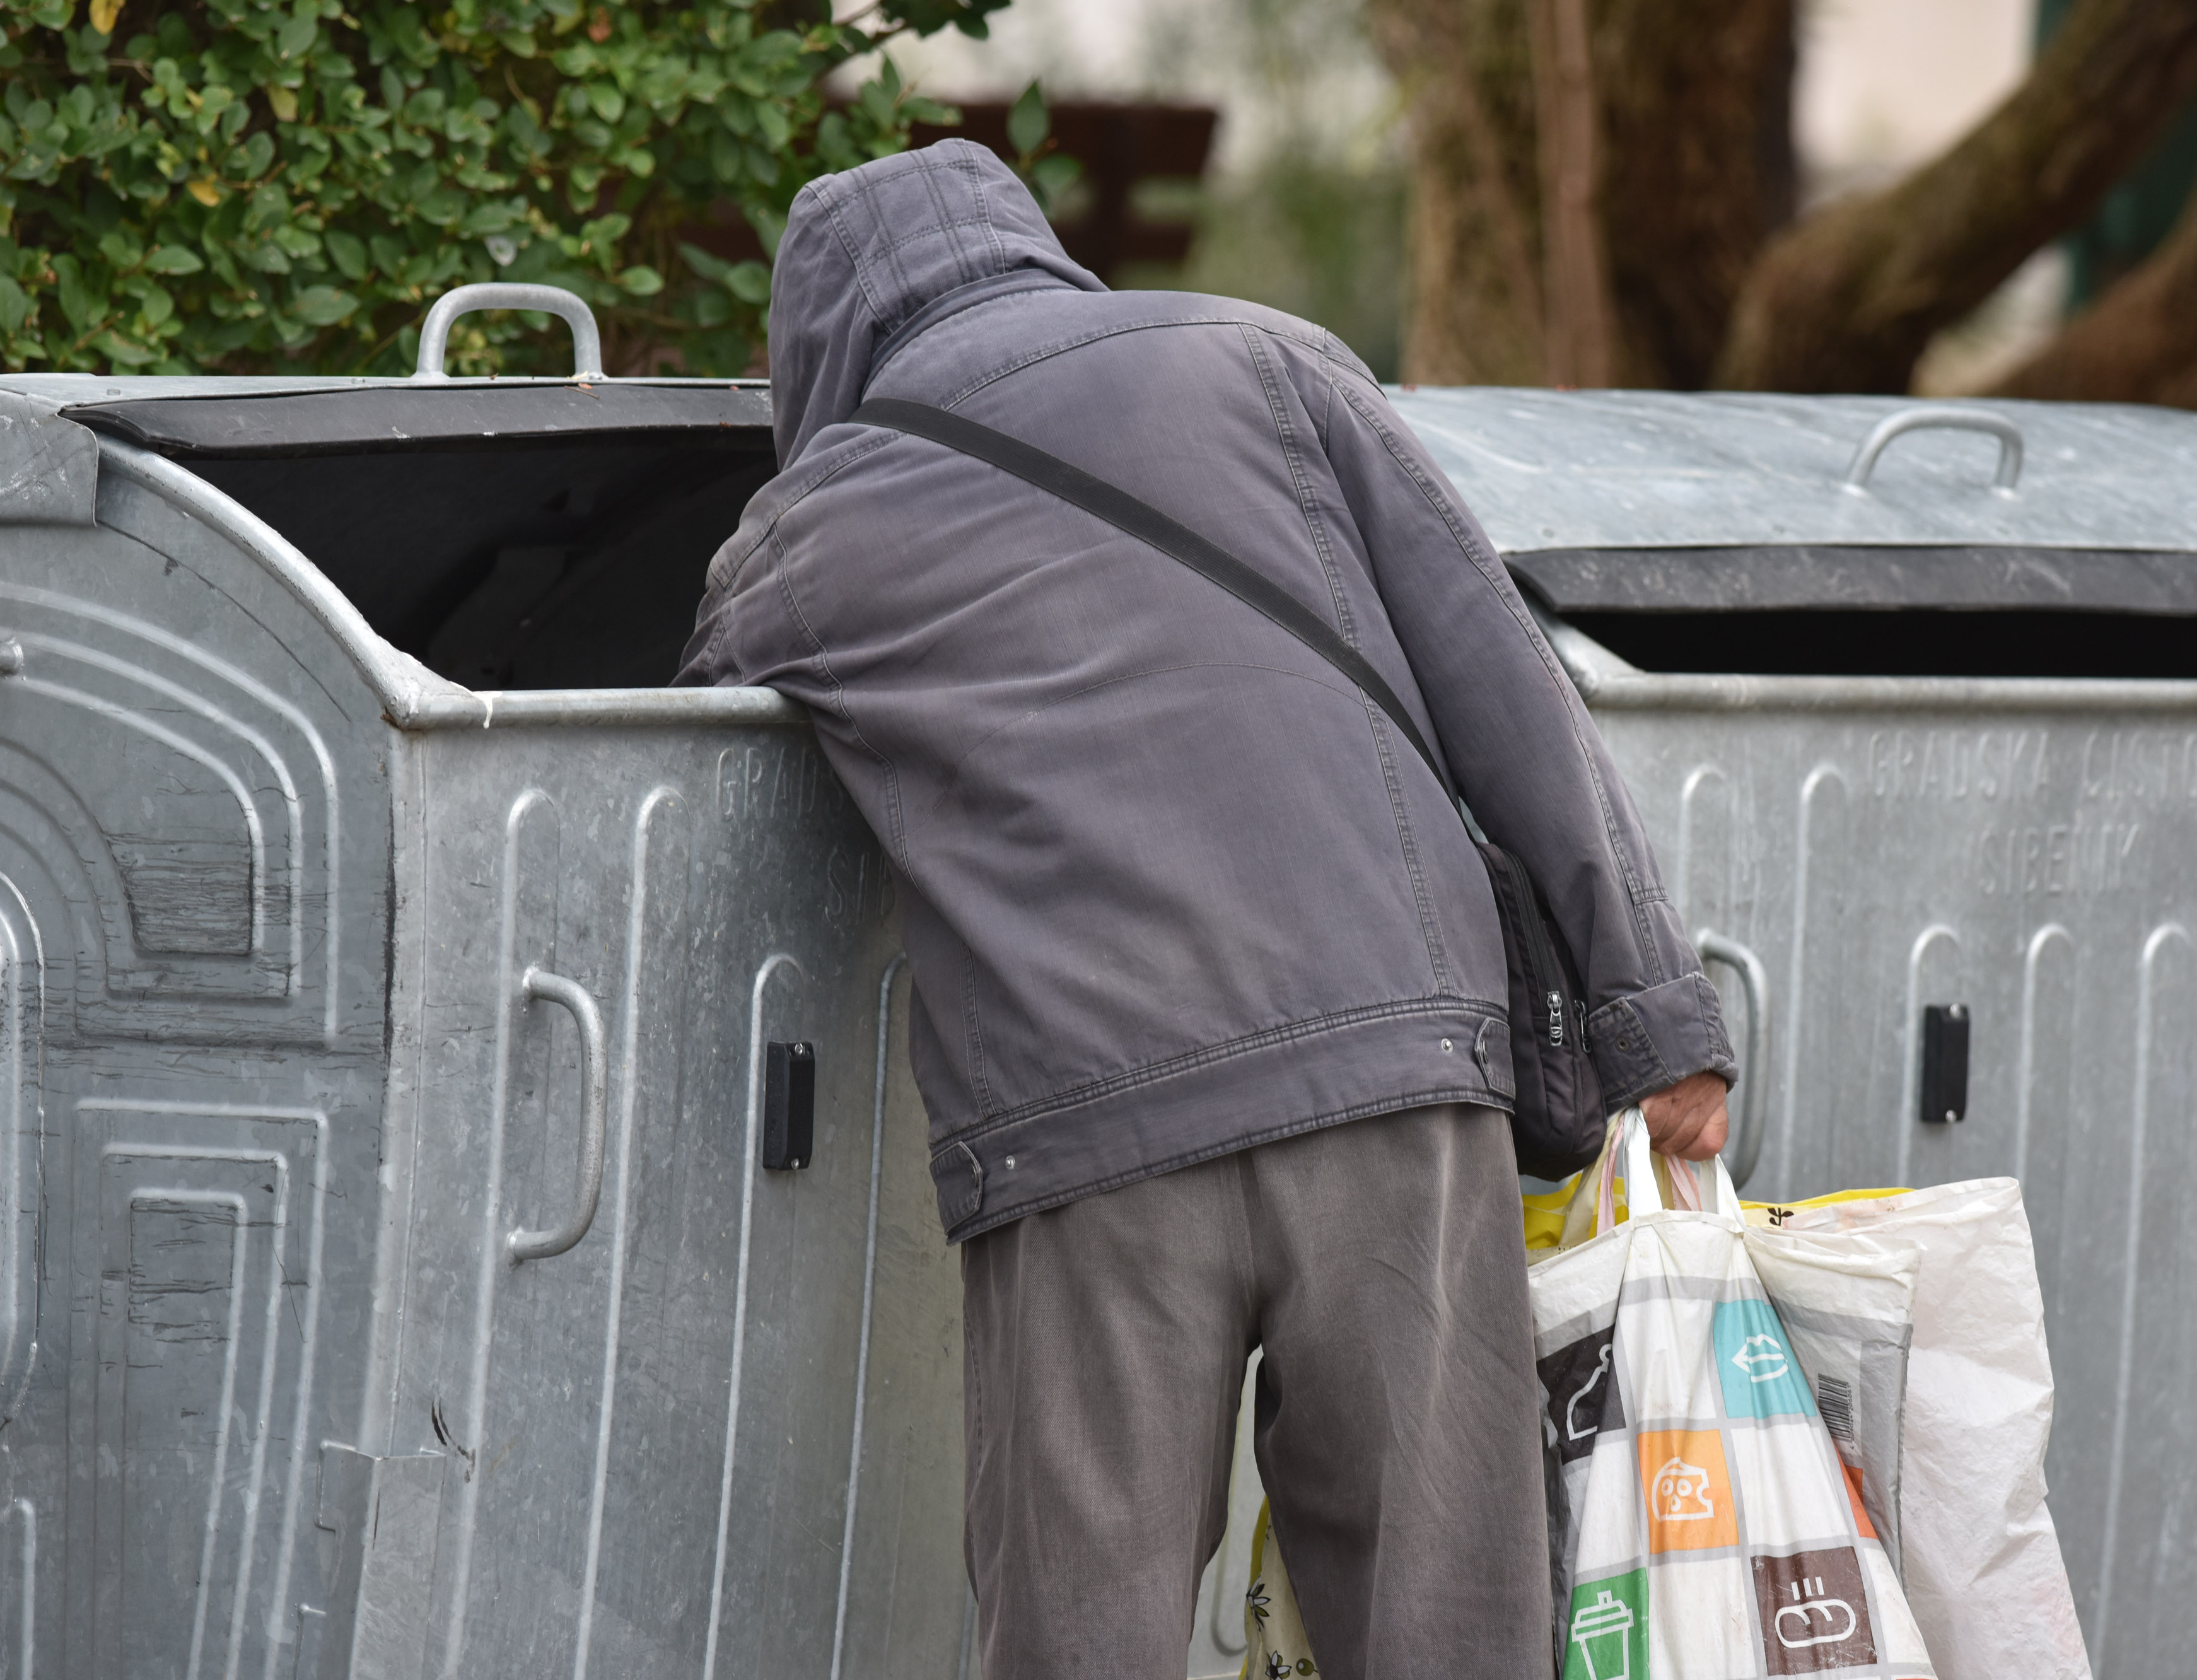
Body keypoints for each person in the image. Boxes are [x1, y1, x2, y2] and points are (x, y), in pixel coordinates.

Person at [675, 139, 1734, 1677]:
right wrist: (1656, 1020)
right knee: (1445, 1628)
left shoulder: (806, 530)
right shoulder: (1270, 364)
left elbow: (669, 765)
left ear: (815, 344)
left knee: (1079, 1637)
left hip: (1086, 1138)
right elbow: (1509, 692)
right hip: (1396, 1088)